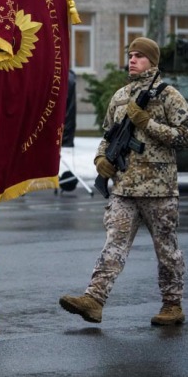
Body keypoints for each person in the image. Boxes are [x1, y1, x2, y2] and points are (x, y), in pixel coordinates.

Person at [59, 37, 188, 326]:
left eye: (140, 56)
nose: (133, 60)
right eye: (130, 55)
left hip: (159, 189)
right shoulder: (120, 96)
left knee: (166, 249)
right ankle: (94, 299)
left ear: (152, 62)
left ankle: (172, 304)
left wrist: (147, 123)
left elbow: (184, 136)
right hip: (124, 187)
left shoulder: (169, 96)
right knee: (113, 244)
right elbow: (109, 136)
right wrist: (100, 160)